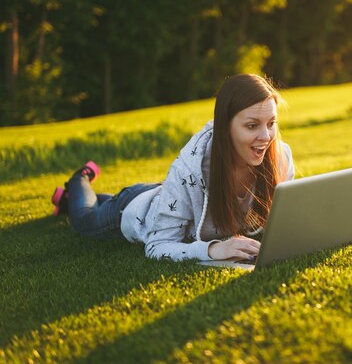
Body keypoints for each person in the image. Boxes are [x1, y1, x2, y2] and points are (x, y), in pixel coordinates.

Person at [50, 74, 295, 262]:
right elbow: (157, 245)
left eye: (271, 123)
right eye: (252, 126)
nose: (266, 136)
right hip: (133, 211)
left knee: (108, 201)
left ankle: (69, 199)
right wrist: (212, 249)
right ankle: (79, 180)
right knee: (84, 216)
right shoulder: (190, 169)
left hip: (164, 197)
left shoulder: (279, 157)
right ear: (224, 127)